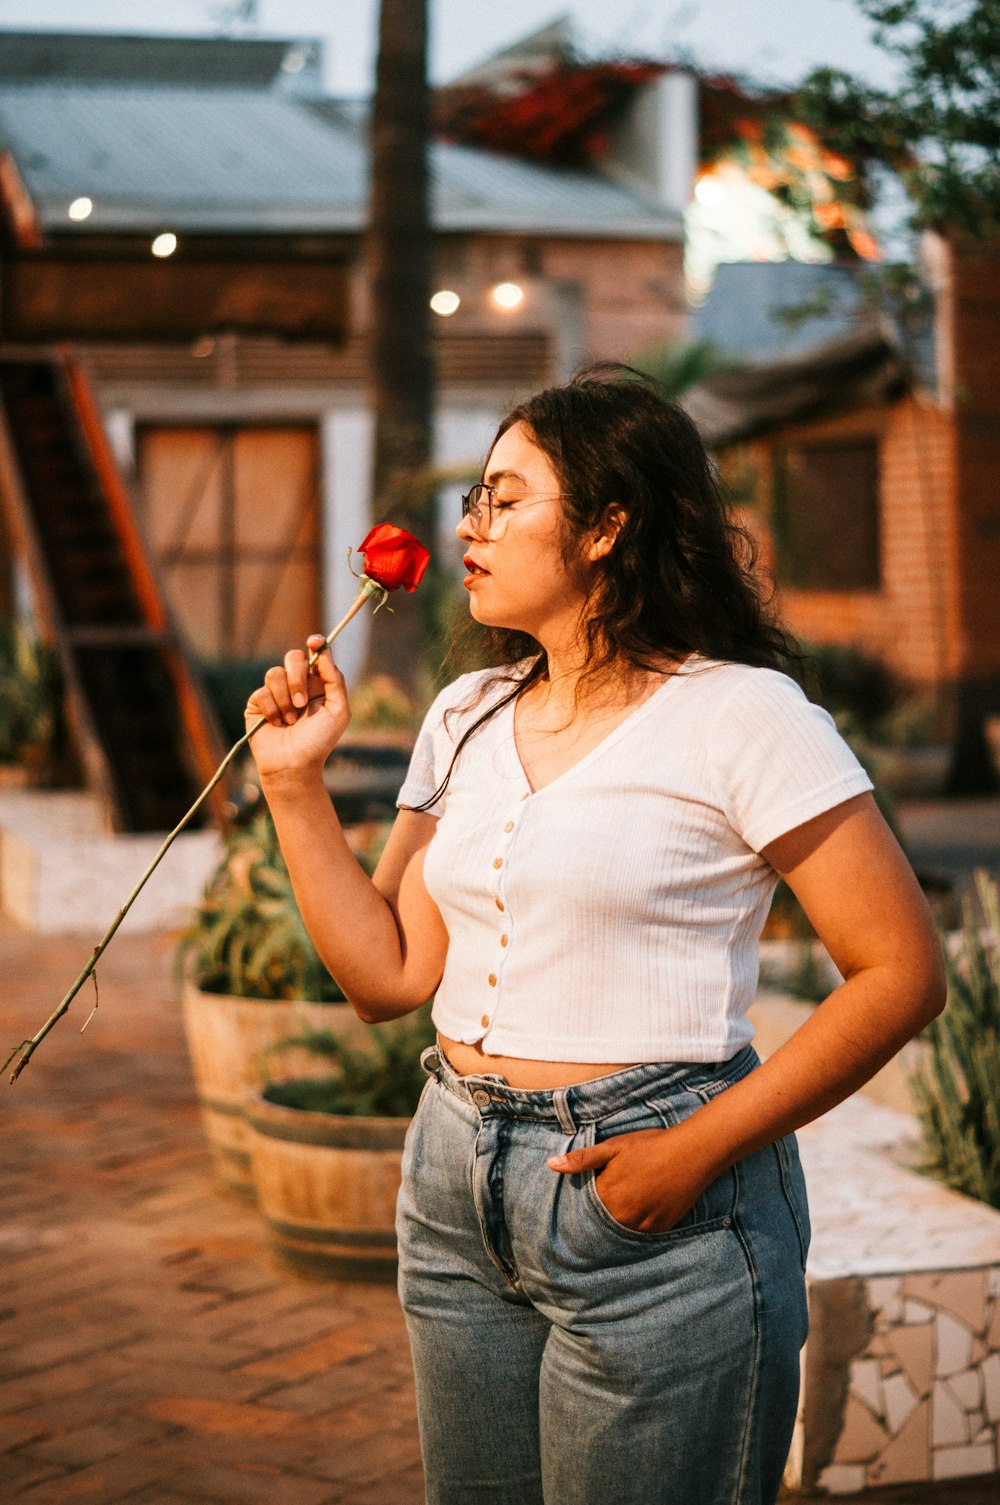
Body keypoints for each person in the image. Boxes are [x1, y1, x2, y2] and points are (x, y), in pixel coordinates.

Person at [246, 366, 945, 1505]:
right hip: (454, 1185)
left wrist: (693, 1149)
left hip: (656, 1199)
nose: (469, 526)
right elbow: (385, 974)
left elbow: (903, 971)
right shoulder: (463, 715)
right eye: (472, 498)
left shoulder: (740, 712)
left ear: (606, 526)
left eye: (504, 499)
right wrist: (291, 783)